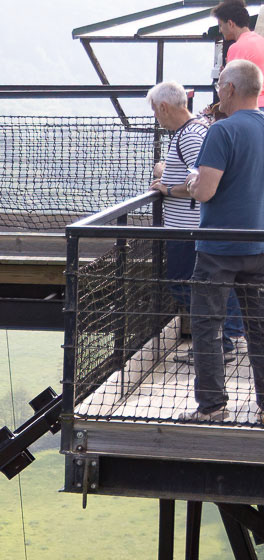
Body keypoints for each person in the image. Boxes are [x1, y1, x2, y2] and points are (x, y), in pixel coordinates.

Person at [173, 57, 264, 421]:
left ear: (228, 89)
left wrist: (193, 182)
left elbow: (206, 191)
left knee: (208, 326)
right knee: (259, 327)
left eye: (218, 87)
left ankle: (212, 407)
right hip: (259, 245)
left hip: (218, 249)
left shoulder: (221, 132)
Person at [148, 83, 244, 358]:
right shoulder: (195, 129)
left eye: (156, 111)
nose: (157, 117)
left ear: (164, 107)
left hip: (188, 228)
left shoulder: (190, 135)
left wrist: (167, 188)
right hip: (190, 227)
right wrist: (165, 172)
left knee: (181, 282)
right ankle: (225, 337)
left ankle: (220, 342)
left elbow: (202, 180)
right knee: (201, 285)